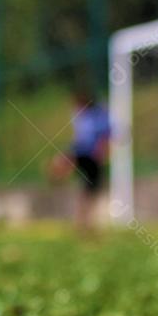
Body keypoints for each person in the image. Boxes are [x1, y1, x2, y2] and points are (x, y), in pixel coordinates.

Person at [62, 89, 111, 232]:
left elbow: (104, 136)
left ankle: (86, 222)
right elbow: (79, 140)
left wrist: (102, 150)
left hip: (91, 156)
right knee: (87, 190)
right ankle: (83, 222)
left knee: (90, 191)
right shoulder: (81, 117)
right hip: (83, 155)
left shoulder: (96, 117)